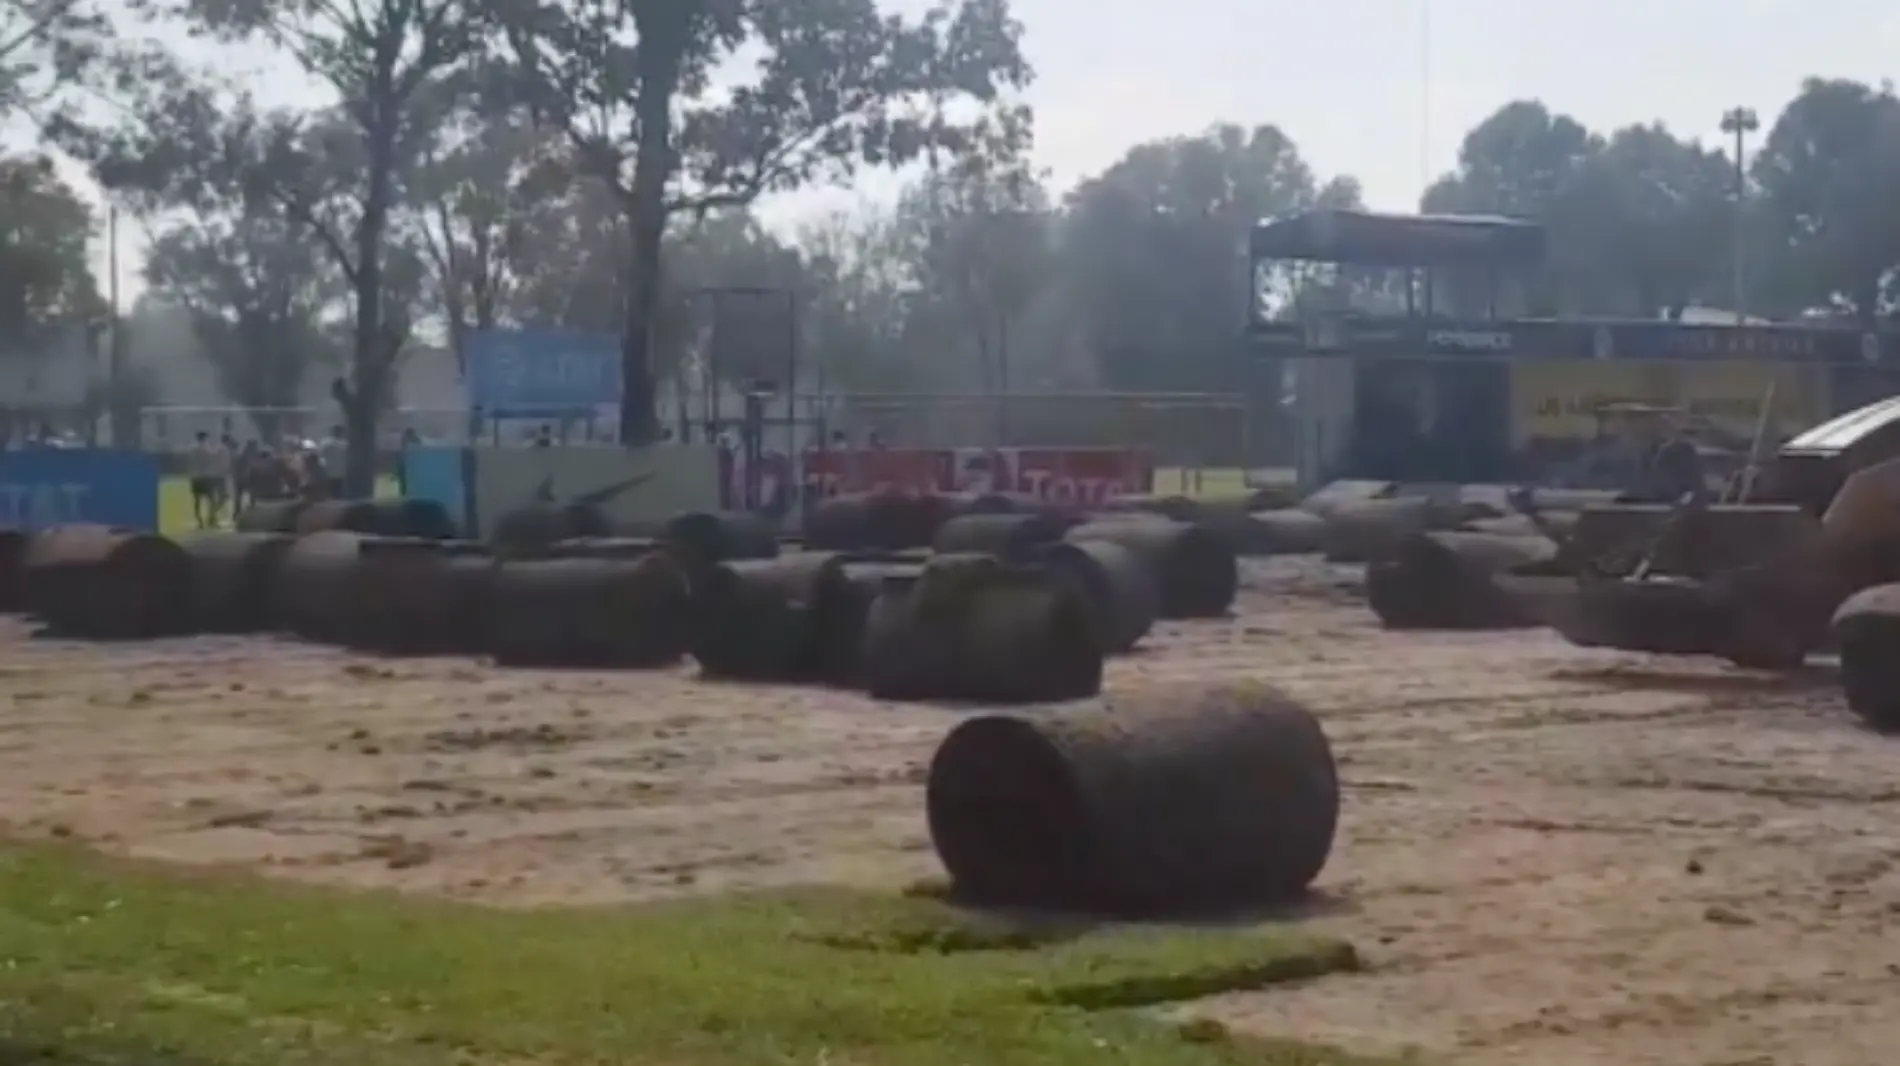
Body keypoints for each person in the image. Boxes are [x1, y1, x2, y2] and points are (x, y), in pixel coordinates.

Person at [185, 432, 228, 528]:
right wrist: (221, 448)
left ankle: (199, 520)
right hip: (204, 477)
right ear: (204, 438)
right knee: (211, 500)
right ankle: (211, 519)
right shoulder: (205, 448)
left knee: (197, 500)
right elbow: (213, 456)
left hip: (194, 477)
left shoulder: (191, 448)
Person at [320, 427, 347, 499]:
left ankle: (334, 499)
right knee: (336, 487)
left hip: (333, 469)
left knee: (333, 487)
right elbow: (322, 456)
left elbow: (322, 456)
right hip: (338, 470)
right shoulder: (344, 444)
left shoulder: (326, 443)